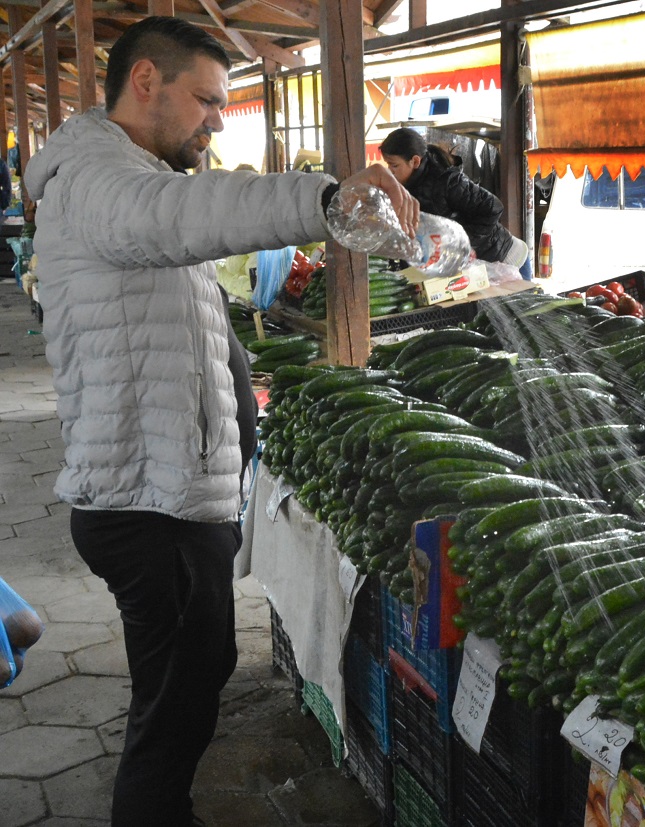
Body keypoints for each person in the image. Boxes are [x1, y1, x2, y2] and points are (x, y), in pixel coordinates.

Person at [22, 16, 416, 827]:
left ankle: (159, 805)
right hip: (146, 497)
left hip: (163, 482)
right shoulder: (104, 180)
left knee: (182, 677)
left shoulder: (124, 172)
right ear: (145, 84)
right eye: (205, 99)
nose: (216, 119)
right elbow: (186, 215)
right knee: (182, 688)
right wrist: (328, 199)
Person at [380, 126, 529, 269]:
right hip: (481, 268)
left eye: (394, 165)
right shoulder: (408, 189)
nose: (390, 171)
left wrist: (462, 244)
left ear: (415, 161)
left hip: (508, 259)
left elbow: (493, 207)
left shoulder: (446, 181)